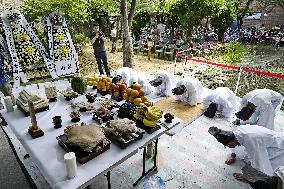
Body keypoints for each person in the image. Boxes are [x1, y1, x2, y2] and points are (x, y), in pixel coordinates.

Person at [208, 125, 284, 177]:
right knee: (244, 154)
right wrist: (233, 155)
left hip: (279, 147)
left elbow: (258, 162)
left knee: (268, 170)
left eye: (227, 145)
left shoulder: (250, 141)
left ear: (231, 142)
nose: (228, 147)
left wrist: (247, 177)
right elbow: (237, 146)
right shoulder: (238, 132)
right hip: (264, 143)